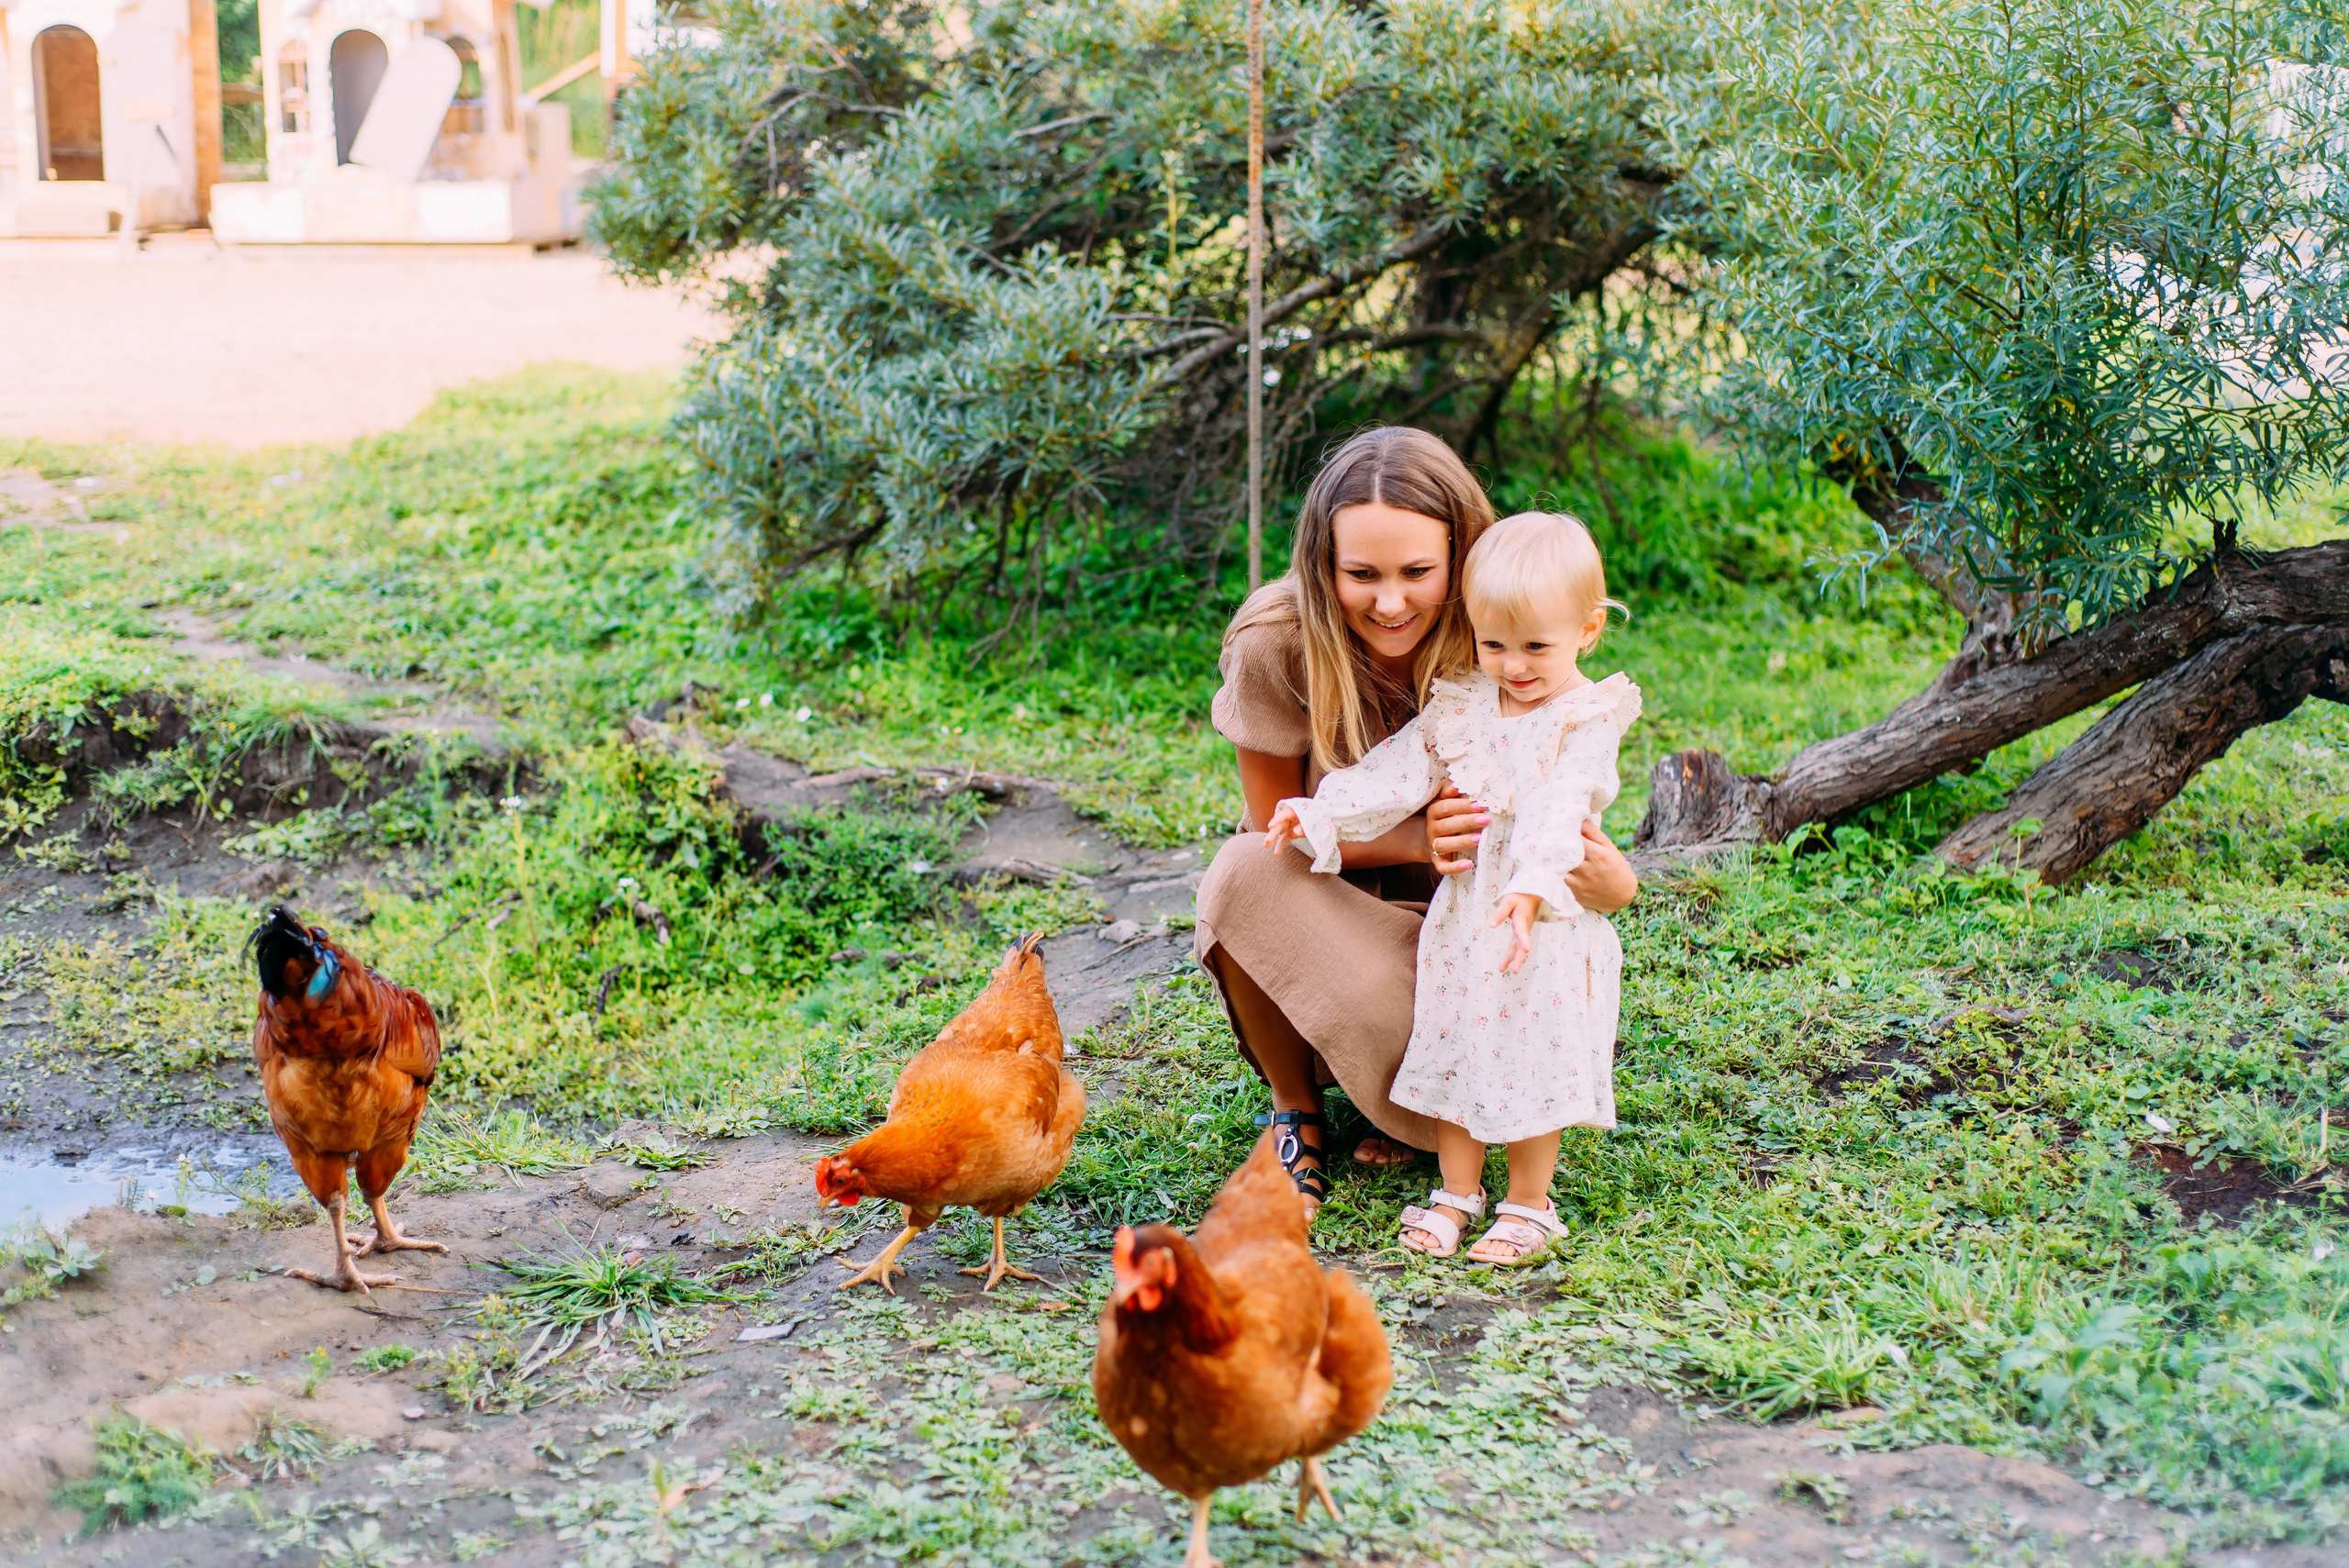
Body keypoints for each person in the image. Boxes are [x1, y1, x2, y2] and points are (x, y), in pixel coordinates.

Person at [1193, 428, 1638, 1219]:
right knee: (1237, 872)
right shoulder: (1278, 640)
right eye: (1361, 573)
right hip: (1342, 915)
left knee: (1476, 1014)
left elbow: (1566, 825)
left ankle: (1421, 1119)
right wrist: (1411, 837)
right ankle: (1297, 1108)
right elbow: (1274, 836)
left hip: (1467, 934)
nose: (1390, 601)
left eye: (1418, 573)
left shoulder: (1504, 628)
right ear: (1322, 565)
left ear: (1461, 557)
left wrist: (1611, 880)